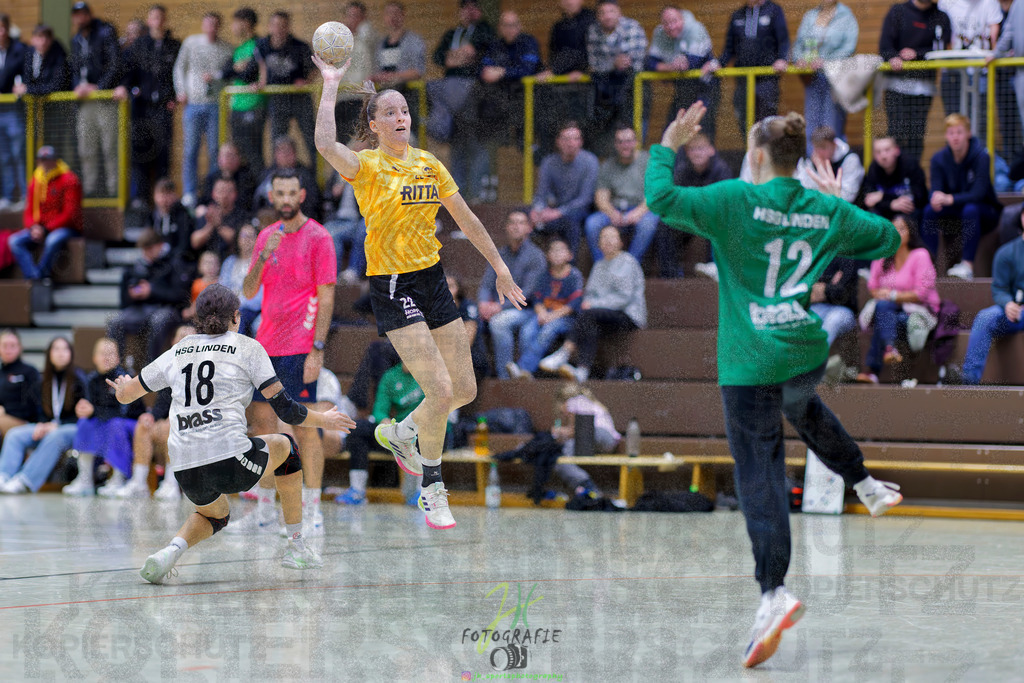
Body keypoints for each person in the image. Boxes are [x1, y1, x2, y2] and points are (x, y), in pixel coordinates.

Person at [645, 103, 904, 667]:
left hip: (750, 358)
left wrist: (667, 144)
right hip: (804, 348)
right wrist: (837, 206)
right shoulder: (822, 207)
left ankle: (773, 591)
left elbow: (660, 199)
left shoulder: (733, 199)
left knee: (759, 469)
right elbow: (887, 239)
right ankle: (863, 482)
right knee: (801, 404)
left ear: (757, 156)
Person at [313, 53, 526, 530]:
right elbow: (325, 142)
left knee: (464, 390)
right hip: (392, 283)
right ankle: (432, 488)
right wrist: (330, 83)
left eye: (405, 111)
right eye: (389, 112)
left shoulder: (429, 164)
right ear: (374, 125)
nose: (400, 118)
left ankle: (402, 431)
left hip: (431, 278)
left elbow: (467, 219)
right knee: (441, 389)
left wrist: (500, 269)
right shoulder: (367, 166)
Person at [106, 284, 355, 582]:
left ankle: (169, 552)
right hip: (229, 459)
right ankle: (297, 546)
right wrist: (324, 419)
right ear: (236, 316)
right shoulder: (248, 348)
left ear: (198, 319)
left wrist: (122, 387)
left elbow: (126, 395)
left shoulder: (178, 350)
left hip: (183, 468)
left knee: (216, 514)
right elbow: (287, 411)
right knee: (287, 448)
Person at [238, 170, 335, 537]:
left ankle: (313, 512)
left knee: (304, 428)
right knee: (263, 427)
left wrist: (318, 348)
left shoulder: (319, 238)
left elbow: (327, 297)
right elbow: (249, 291)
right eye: (280, 193)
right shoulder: (266, 237)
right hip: (266, 348)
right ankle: (264, 510)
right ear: (272, 196)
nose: (287, 199)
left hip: (301, 347)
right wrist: (263, 256)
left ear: (302, 195)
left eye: (292, 192)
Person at [539, 225, 646, 383]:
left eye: (612, 237)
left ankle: (565, 352)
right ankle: (582, 370)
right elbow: (589, 293)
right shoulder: (599, 265)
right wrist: (591, 304)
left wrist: (595, 304)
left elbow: (624, 298)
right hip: (600, 314)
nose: (608, 241)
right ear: (599, 243)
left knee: (589, 314)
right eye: (604, 237)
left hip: (627, 314)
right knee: (589, 322)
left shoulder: (628, 262)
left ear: (620, 242)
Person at [114, 324, 195, 499]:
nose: (184, 342)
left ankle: (171, 484)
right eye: (181, 337)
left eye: (189, 338)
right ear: (173, 341)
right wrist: (151, 416)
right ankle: (139, 483)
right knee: (143, 425)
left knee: (172, 425)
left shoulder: (202, 366)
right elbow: (162, 402)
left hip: (196, 424)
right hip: (170, 422)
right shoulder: (170, 365)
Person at [857, 214, 940, 383]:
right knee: (884, 309)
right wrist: (887, 296)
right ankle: (890, 350)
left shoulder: (920, 255)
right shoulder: (883, 255)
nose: (897, 233)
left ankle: (874, 371)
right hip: (889, 309)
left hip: (918, 310)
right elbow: (873, 287)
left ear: (911, 232)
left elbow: (921, 294)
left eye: (901, 229)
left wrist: (892, 295)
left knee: (888, 318)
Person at [428, 0, 495, 203]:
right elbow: (439, 57)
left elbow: (474, 53)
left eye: (473, 7)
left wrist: (454, 57)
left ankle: (476, 194)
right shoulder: (452, 33)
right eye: (465, 8)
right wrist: (459, 56)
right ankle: (458, 196)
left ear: (479, 10)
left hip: (475, 97)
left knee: (476, 145)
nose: (469, 11)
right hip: (452, 96)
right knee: (456, 145)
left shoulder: (484, 30)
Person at [0, 337, 85, 494]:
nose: (60, 353)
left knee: (56, 435)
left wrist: (57, 425)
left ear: (71, 353)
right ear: (49, 354)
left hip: (73, 428)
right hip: (49, 426)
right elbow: (39, 410)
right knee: (15, 435)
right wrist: (42, 424)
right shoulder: (43, 380)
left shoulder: (79, 378)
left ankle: (26, 480)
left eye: (65, 349)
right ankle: (3, 475)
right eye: (56, 349)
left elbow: (83, 414)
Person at [923, 114, 1001, 280]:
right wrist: (935, 198)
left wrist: (950, 199)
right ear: (946, 136)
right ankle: (928, 266)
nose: (955, 137)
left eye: (959, 132)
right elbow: (935, 190)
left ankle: (967, 266)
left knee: (970, 209)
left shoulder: (981, 156)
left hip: (985, 213)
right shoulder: (938, 159)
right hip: (954, 214)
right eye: (951, 133)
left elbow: (978, 194)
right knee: (929, 210)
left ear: (968, 134)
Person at [336, 360, 425, 505]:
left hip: (428, 431)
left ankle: (423, 492)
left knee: (425, 434)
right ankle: (357, 490)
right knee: (358, 429)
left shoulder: (432, 375)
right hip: (400, 432)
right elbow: (379, 410)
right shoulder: (391, 376)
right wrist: (385, 422)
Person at [64, 338, 144, 496]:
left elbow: (123, 411)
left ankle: (118, 478)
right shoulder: (91, 379)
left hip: (129, 423)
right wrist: (84, 409)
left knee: (116, 424)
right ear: (94, 358)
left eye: (111, 353)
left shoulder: (125, 377)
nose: (106, 357)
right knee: (84, 423)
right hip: (105, 421)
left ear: (118, 358)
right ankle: (85, 479)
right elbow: (92, 408)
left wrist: (93, 410)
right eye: (102, 353)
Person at [476, 11, 543, 200]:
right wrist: (500, 73)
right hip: (499, 106)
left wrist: (503, 72)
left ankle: (545, 188)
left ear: (519, 26)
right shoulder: (495, 45)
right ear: (500, 28)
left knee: (528, 146)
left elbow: (528, 70)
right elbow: (484, 71)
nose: (509, 29)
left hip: (529, 104)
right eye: (505, 25)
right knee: (489, 141)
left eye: (513, 25)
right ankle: (487, 187)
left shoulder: (528, 42)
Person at [118, 4, 181, 208]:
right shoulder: (139, 46)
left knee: (163, 155)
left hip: (163, 107)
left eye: (161, 17)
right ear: (149, 21)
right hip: (141, 108)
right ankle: (141, 200)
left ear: (165, 20)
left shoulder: (174, 46)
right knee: (141, 153)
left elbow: (179, 74)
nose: (158, 21)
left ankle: (164, 201)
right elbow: (127, 73)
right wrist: (126, 88)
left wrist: (174, 96)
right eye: (154, 17)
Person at [703, 0, 790, 138]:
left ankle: (766, 150)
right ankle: (750, 150)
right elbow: (729, 49)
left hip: (766, 79)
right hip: (742, 79)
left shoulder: (774, 10)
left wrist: (782, 59)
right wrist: (718, 63)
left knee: (766, 122)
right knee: (744, 119)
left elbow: (783, 40)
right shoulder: (737, 15)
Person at [107, 228, 192, 367]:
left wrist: (152, 291)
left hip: (168, 309)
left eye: (150, 249)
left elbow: (180, 295)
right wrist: (132, 294)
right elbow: (123, 302)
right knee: (115, 321)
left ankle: (151, 367)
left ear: (160, 245)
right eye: (144, 250)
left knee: (159, 320)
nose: (146, 253)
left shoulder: (174, 262)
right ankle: (116, 367)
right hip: (141, 309)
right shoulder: (136, 266)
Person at [879, 0, 952, 162]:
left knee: (916, 137)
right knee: (896, 134)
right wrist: (893, 58)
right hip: (896, 86)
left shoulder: (941, 17)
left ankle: (911, 174)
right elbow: (885, 46)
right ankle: (895, 175)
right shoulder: (898, 11)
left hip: (923, 89)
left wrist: (917, 54)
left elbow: (940, 48)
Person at [173, 12, 232, 208]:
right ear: (203, 25)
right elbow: (179, 68)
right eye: (208, 23)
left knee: (215, 150)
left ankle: (213, 191)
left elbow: (229, 76)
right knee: (191, 149)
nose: (211, 27)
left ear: (219, 26)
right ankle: (189, 193)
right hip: (193, 104)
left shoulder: (226, 49)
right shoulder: (191, 43)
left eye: (215, 24)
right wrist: (181, 91)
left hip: (215, 105)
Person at [478, 210, 546, 379]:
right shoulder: (499, 254)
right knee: (469, 317)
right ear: (507, 227)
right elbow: (486, 285)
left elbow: (527, 293)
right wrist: (483, 303)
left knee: (499, 323)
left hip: (526, 310)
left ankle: (505, 378)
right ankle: (479, 372)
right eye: (512, 222)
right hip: (498, 307)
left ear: (529, 228)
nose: (516, 227)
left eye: (521, 223)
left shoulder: (536, 256)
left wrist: (498, 307)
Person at [656, 133, 733, 279]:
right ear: (687, 153)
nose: (697, 153)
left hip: (713, 217)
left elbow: (725, 202)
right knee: (665, 222)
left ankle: (714, 268)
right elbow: (674, 201)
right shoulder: (682, 171)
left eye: (701, 148)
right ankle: (670, 274)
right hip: (690, 217)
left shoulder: (721, 169)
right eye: (692, 149)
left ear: (711, 150)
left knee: (719, 219)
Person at [508, 239, 584, 379]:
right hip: (544, 313)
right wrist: (542, 313)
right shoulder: (543, 275)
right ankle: (528, 372)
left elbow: (573, 304)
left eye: (561, 250)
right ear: (547, 255)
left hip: (565, 318)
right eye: (553, 250)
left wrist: (552, 316)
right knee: (527, 331)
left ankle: (523, 368)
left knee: (548, 330)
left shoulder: (574, 276)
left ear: (570, 255)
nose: (557, 253)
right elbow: (537, 299)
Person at [584, 124, 659, 263]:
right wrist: (612, 213)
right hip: (615, 210)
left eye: (629, 141)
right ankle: (603, 265)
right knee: (592, 223)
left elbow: (655, 194)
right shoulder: (608, 165)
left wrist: (638, 212)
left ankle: (630, 265)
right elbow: (601, 197)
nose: (625, 145)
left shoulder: (648, 162)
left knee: (648, 224)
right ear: (615, 144)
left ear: (636, 142)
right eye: (620, 142)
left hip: (642, 209)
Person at [792, 0, 859, 152]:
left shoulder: (846, 16)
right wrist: (799, 59)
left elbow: (849, 47)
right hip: (812, 76)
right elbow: (798, 44)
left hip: (835, 78)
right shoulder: (810, 16)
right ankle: (812, 160)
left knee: (832, 123)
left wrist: (826, 61)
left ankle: (835, 161)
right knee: (811, 121)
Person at [70, 2, 121, 199]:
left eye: (83, 14)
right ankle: (89, 190)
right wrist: (77, 86)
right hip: (85, 102)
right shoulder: (76, 40)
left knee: (110, 147)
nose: (80, 18)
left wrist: (99, 87)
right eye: (76, 15)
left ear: (89, 15)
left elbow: (115, 65)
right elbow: (74, 69)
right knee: (86, 148)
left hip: (104, 99)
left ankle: (114, 191)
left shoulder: (105, 33)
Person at [961, 225, 1024, 383]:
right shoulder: (1007, 252)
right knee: (985, 317)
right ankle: (969, 381)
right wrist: (1008, 304)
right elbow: (999, 289)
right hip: (1016, 312)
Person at [645, 6, 718, 143]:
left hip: (705, 88)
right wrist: (670, 67)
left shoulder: (695, 29)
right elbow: (649, 62)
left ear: (683, 19)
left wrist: (668, 67)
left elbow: (691, 64)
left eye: (675, 21)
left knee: (702, 131)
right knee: (672, 130)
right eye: (666, 23)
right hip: (682, 89)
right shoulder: (659, 33)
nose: (671, 27)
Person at [10, 146, 83, 281]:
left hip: (66, 228)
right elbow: (29, 211)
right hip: (40, 228)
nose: (44, 163)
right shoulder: (35, 180)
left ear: (55, 161)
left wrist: (45, 229)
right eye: (41, 160)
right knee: (14, 241)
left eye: (48, 160)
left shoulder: (69, 179)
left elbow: (70, 214)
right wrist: (33, 227)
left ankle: (41, 275)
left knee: (52, 240)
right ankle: (34, 277)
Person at [535, 0, 596, 157]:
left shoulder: (591, 21)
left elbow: (582, 53)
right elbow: (554, 54)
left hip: (584, 88)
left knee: (581, 130)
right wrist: (553, 71)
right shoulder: (558, 26)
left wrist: (556, 71)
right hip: (561, 86)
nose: (569, 2)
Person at [585, 0, 647, 155]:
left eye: (611, 11)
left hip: (633, 86)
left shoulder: (632, 27)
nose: (607, 16)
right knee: (606, 136)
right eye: (602, 13)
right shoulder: (593, 31)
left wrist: (609, 65)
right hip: (606, 90)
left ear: (619, 12)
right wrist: (613, 63)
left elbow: (632, 62)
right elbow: (594, 65)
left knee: (633, 131)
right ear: (597, 16)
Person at [530, 121, 599, 257]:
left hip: (579, 212)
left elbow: (585, 199)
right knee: (522, 218)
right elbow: (541, 193)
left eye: (575, 139)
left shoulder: (590, 161)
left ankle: (570, 266)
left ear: (581, 142)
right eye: (566, 139)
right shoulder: (549, 162)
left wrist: (558, 212)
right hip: (553, 210)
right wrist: (537, 210)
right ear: (558, 142)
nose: (571, 143)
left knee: (570, 223)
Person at [256, 11, 317, 166]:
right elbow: (261, 66)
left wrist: (306, 82)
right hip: (277, 98)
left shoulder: (300, 46)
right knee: (277, 140)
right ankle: (276, 173)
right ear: (270, 27)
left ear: (288, 27)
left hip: (299, 96)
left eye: (283, 25)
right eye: (276, 25)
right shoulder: (262, 45)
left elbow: (314, 69)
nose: (279, 29)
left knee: (311, 138)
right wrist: (261, 82)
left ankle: (316, 175)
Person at [938, 0, 1001, 122]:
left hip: (981, 70)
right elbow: (942, 33)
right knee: (953, 119)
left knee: (980, 120)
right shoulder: (946, 2)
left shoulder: (990, 3)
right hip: (952, 71)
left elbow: (994, 35)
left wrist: (993, 52)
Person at [226, 8, 265, 175]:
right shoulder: (240, 48)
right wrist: (236, 68)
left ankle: (261, 188)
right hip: (237, 106)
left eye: (235, 22)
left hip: (253, 105)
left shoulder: (259, 44)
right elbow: (227, 71)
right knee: (239, 155)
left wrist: (239, 69)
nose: (233, 27)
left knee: (253, 153)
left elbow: (249, 74)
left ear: (246, 23)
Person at [371, 1, 427, 115]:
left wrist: (393, 77)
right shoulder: (380, 45)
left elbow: (418, 71)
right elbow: (378, 70)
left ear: (403, 15)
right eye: (389, 13)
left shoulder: (414, 41)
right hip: (384, 94)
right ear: (384, 17)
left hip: (407, 93)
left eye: (396, 13)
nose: (393, 17)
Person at [336, 2, 378, 143]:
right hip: (342, 98)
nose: (353, 20)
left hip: (362, 99)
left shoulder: (369, 36)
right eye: (350, 16)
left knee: (360, 142)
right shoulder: (340, 41)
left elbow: (369, 36)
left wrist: (361, 28)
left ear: (364, 18)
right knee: (343, 144)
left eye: (357, 16)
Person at [861, 136, 929, 221]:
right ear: (874, 155)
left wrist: (883, 196)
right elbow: (868, 201)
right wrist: (891, 204)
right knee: (870, 217)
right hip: (885, 211)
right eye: (878, 152)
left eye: (887, 150)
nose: (883, 156)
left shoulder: (910, 164)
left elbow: (920, 197)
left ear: (897, 150)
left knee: (904, 220)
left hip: (909, 210)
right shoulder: (873, 168)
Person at [252, 136, 321, 219]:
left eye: (288, 151)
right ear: (275, 155)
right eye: (281, 151)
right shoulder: (266, 174)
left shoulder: (305, 175)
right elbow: (256, 200)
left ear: (295, 153)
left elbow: (312, 204)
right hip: (266, 218)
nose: (285, 155)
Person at [0, 14, 28, 209]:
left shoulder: (19, 50)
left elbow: (23, 75)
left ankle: (25, 196)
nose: (0, 32)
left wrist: (22, 86)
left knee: (18, 153)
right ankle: (8, 196)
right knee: (3, 156)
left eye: (3, 28)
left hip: (13, 108)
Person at [793, 126, 864, 203]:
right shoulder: (807, 161)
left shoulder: (850, 159)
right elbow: (801, 190)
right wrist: (817, 169)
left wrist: (823, 173)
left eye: (823, 147)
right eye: (816, 147)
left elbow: (848, 197)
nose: (819, 152)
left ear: (834, 144)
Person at [219, 222, 262, 336]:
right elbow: (222, 288)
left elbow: (261, 293)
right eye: (244, 236)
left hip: (252, 308)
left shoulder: (261, 262)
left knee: (238, 319)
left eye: (251, 236)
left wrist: (240, 304)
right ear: (237, 239)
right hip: (230, 307)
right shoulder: (230, 262)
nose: (247, 240)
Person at [0, 329, 41, 444]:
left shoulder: (29, 372)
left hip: (23, 421)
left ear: (19, 348)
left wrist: (6, 411)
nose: (8, 349)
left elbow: (33, 405)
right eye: (4, 346)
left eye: (12, 345)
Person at [199, 143, 258, 213]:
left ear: (239, 158)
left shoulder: (247, 178)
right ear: (219, 159)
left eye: (231, 155)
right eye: (225, 156)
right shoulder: (211, 178)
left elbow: (246, 204)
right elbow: (204, 200)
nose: (228, 159)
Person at [148, 178, 194, 259]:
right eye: (161, 194)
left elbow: (184, 245)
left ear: (174, 196)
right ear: (154, 196)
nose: (164, 199)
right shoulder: (151, 217)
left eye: (167, 194)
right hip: (156, 259)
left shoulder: (183, 215)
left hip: (178, 259)